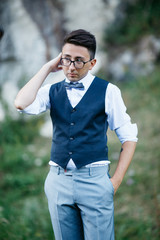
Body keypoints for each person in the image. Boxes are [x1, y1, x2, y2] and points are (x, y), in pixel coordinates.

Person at [14, 29, 138, 240]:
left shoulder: (109, 91)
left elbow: (129, 137)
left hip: (95, 181)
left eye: (79, 61)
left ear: (92, 63)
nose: (71, 67)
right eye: (66, 60)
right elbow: (21, 103)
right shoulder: (51, 90)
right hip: (58, 182)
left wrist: (115, 182)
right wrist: (46, 68)